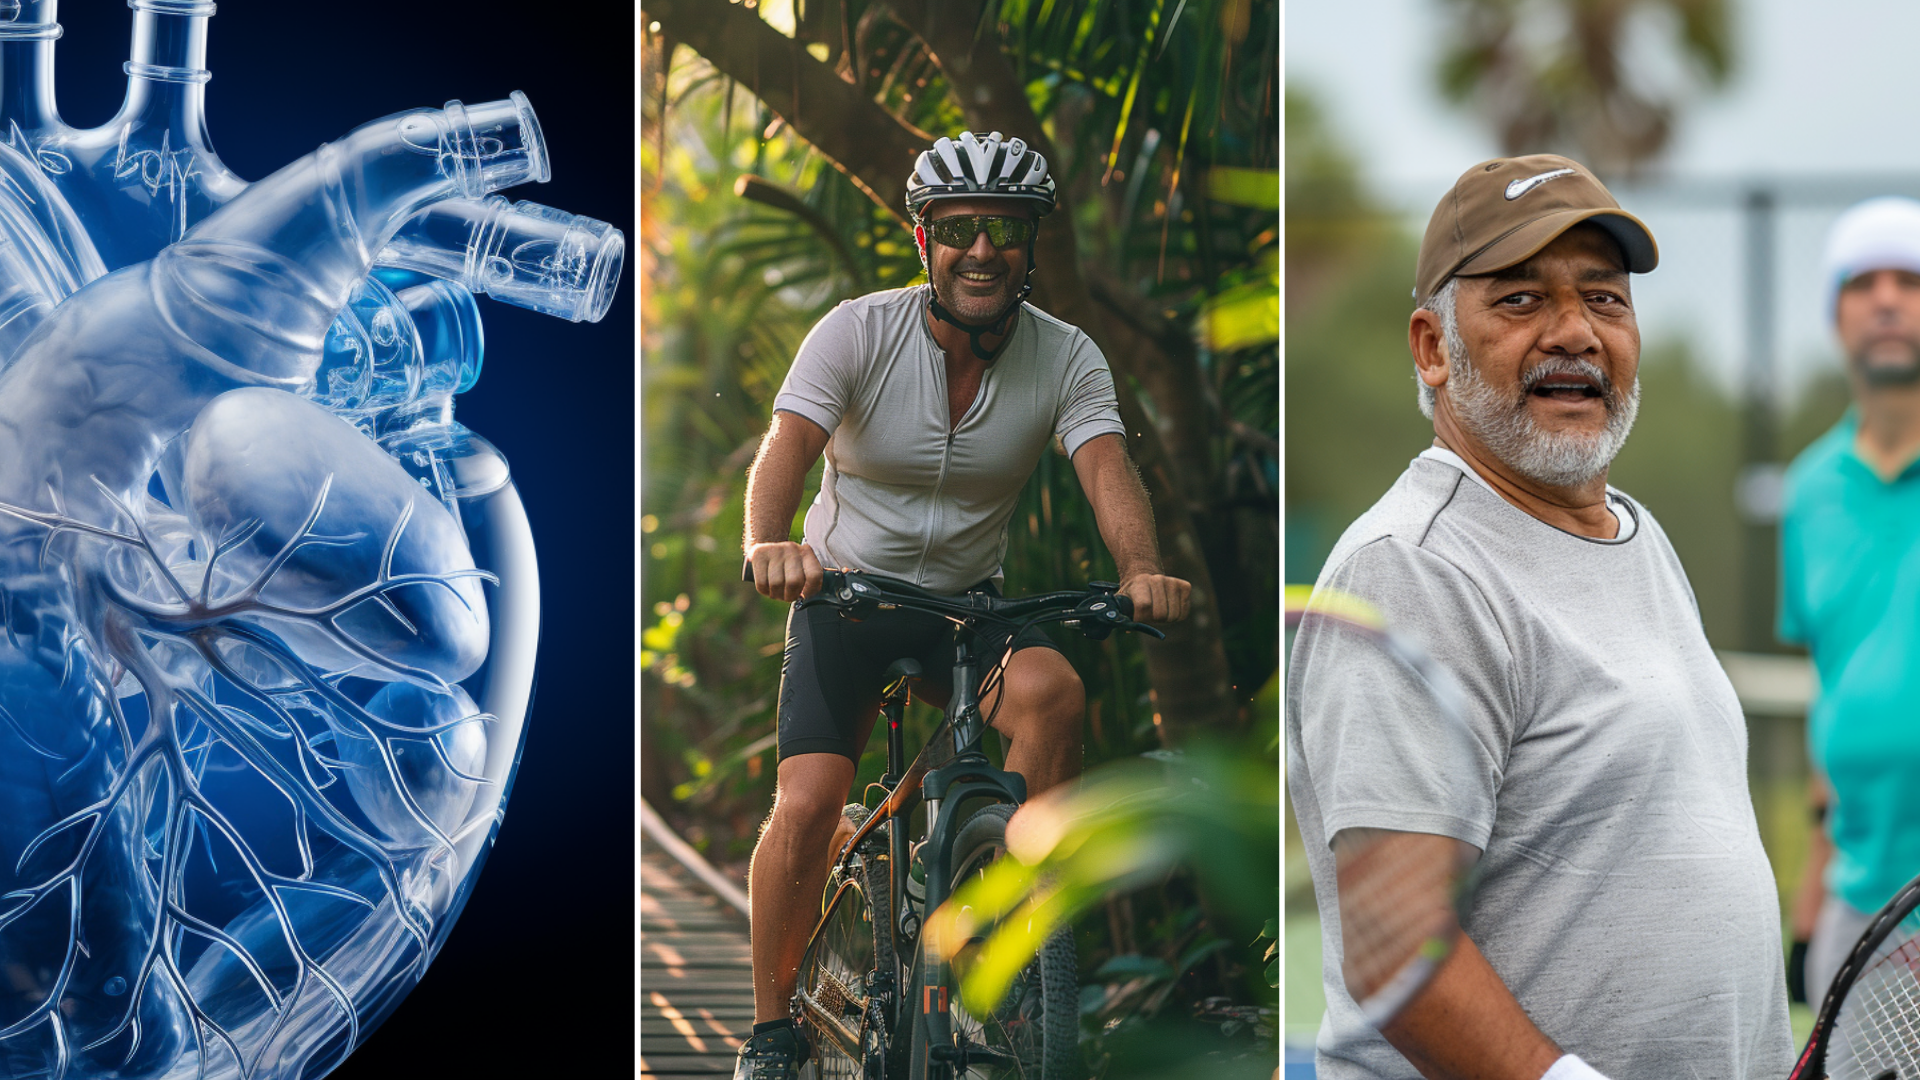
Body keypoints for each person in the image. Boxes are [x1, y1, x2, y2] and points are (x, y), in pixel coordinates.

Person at [1286, 153, 1793, 1080]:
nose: (1577, 333)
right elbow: (1396, 948)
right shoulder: (1410, 570)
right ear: (1433, 347)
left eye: (1605, 299)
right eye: (1521, 300)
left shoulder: (1639, 534)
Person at [732, 130, 1192, 1080]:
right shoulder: (857, 332)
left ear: (1030, 247)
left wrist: (1141, 565)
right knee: (812, 801)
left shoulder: (1066, 357)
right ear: (924, 240)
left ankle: (1011, 960)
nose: (982, 249)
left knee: (1054, 694)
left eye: (1006, 229)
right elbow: (784, 451)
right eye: (961, 229)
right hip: (847, 599)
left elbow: (1107, 469)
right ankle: (773, 1032)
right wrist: (769, 544)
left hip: (964, 614)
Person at [1778, 196, 1920, 1008]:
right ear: (1838, 315)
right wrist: (1810, 904)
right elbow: (1831, 698)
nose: (1890, 298)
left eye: (1911, 278)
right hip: (1860, 909)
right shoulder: (1807, 494)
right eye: (1866, 283)